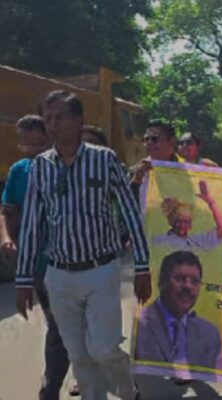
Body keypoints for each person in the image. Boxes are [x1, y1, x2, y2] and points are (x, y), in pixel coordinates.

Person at [16, 90, 152, 400]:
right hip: (59, 275)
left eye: (59, 117)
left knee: (103, 349)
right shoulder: (40, 166)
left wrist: (142, 267)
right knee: (78, 356)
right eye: (48, 118)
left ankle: (127, 390)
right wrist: (23, 279)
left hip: (100, 270)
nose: (53, 124)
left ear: (78, 120)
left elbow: (130, 213)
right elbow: (32, 224)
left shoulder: (104, 160)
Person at [1, 115, 72, 400]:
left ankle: (77, 375)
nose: (31, 151)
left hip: (72, 260)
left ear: (49, 138)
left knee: (71, 325)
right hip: (40, 266)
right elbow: (8, 210)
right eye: (25, 145)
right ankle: (51, 388)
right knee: (58, 325)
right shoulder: (19, 171)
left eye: (38, 144)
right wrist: (7, 238)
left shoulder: (67, 166)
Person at [135, 251, 222, 370]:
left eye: (195, 281)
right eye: (180, 279)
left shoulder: (210, 334)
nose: (188, 286)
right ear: (161, 282)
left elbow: (218, 378)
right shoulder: (138, 325)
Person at [153, 181, 222, 253]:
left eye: (186, 222)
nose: (182, 225)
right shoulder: (159, 241)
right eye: (179, 221)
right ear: (172, 221)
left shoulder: (197, 242)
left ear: (190, 225)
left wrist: (210, 202)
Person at [130, 120, 184, 201]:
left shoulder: (187, 172)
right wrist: (136, 182)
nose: (149, 143)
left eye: (154, 139)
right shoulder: (137, 171)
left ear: (172, 142)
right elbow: (125, 203)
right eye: (146, 139)